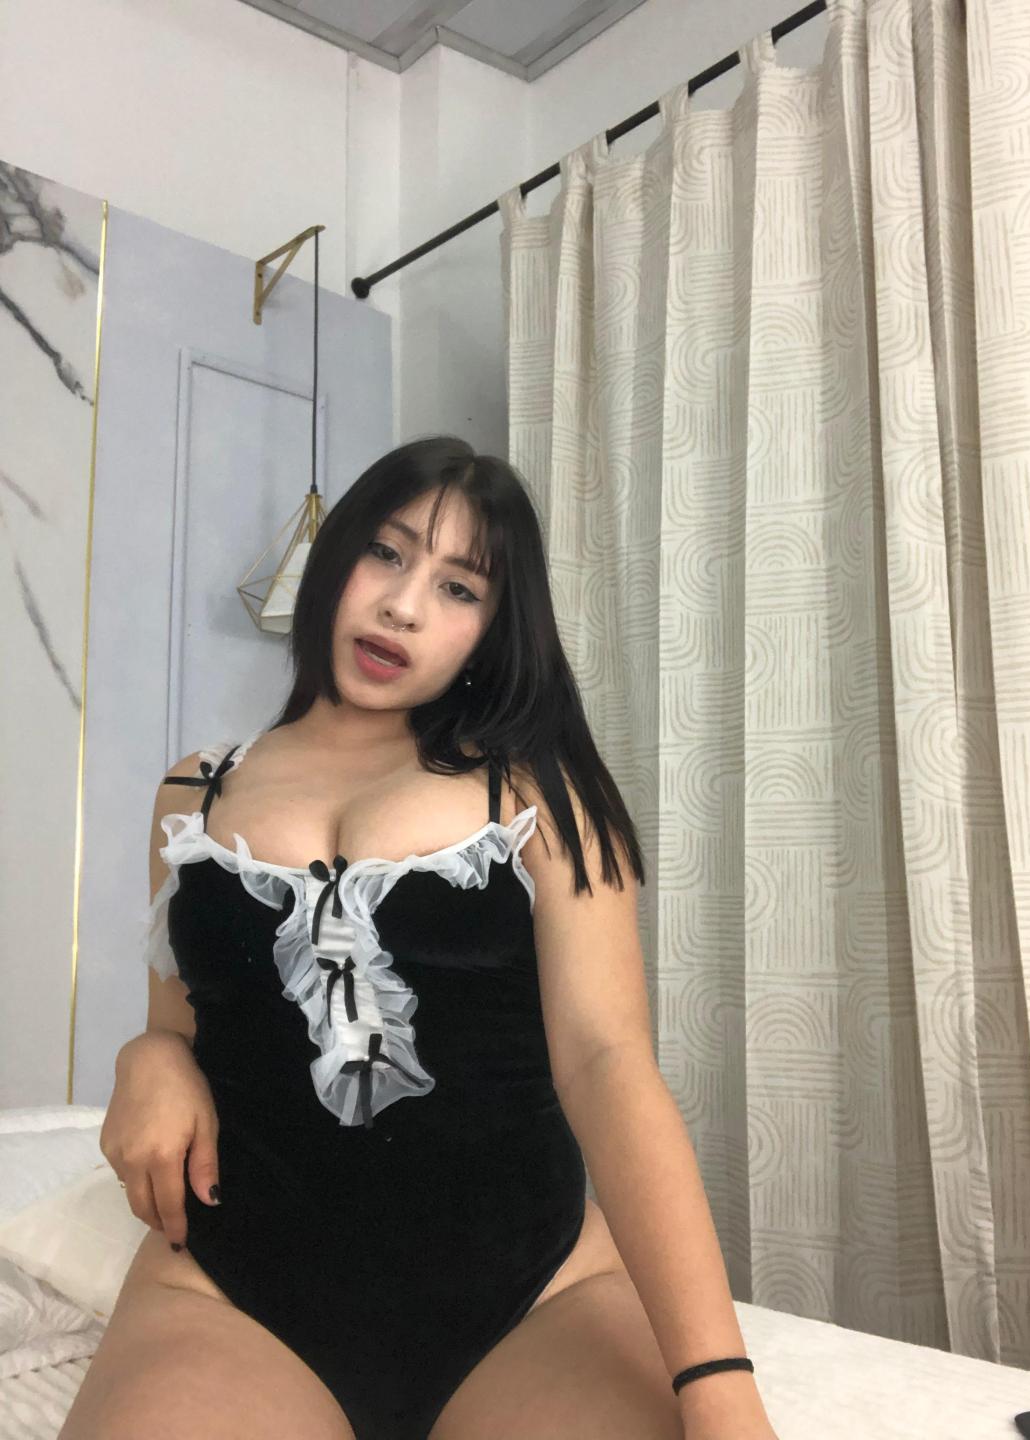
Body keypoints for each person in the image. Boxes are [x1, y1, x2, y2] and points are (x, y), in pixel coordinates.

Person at [62, 437, 779, 1440]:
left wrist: (718, 1383)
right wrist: (147, 1057)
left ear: (491, 630)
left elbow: (608, 1065)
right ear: (336, 557)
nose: (403, 606)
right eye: (387, 554)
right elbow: (180, 1025)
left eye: (458, 588)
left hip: (530, 1296)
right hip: (233, 1292)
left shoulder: (536, 792)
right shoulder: (195, 791)